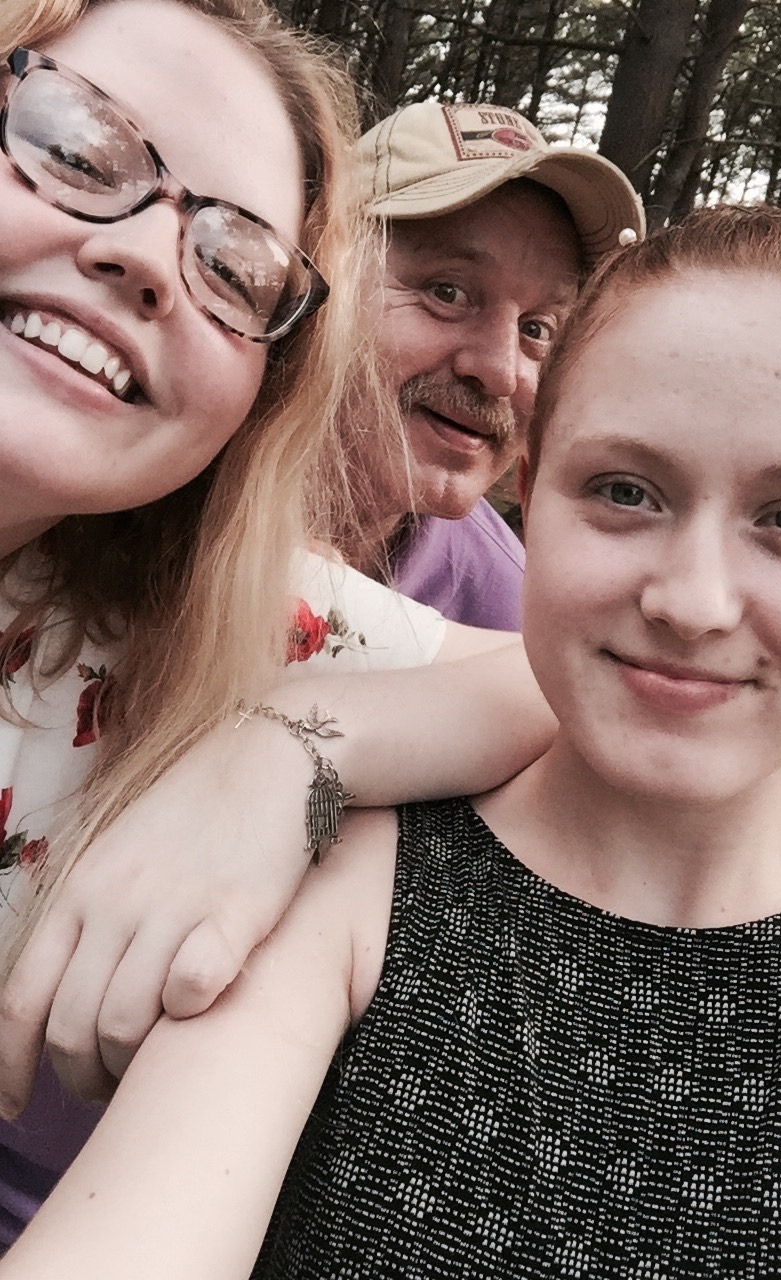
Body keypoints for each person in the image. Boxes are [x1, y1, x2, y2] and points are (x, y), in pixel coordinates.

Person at [3, 204, 781, 1279]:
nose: (692, 602)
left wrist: (282, 747)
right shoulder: (344, 900)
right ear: (530, 495)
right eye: (625, 491)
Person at [0, 0, 554, 1250]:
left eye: (235, 261)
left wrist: (288, 747)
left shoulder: (183, 604)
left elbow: (605, 695)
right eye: (75, 149)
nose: (150, 257)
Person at [353, 100, 645, 629]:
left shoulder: (505, 617)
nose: (500, 372)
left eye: (536, 329)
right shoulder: (185, 486)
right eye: (448, 292)